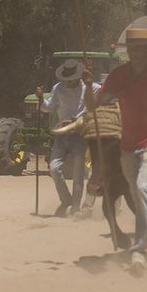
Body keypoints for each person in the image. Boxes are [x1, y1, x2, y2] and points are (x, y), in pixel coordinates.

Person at [85, 27, 147, 274]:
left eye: (140, 49)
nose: (135, 53)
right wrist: (88, 85)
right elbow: (92, 106)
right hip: (127, 149)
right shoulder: (118, 76)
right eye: (131, 49)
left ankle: (138, 251)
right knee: (140, 199)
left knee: (142, 187)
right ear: (127, 51)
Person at [41, 59, 98, 216]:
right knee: (53, 168)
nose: (69, 81)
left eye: (72, 77)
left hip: (79, 133)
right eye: (67, 78)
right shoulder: (58, 88)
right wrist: (40, 98)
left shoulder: (91, 88)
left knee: (78, 173)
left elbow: (98, 99)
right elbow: (47, 107)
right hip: (61, 133)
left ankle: (76, 207)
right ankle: (66, 199)